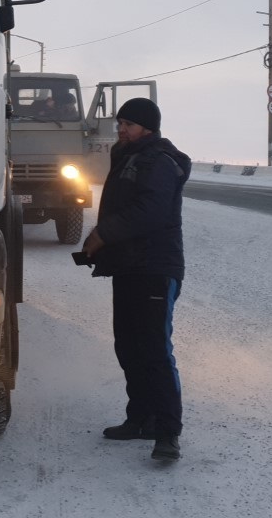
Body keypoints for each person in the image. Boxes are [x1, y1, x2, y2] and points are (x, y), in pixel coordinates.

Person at [78, 97, 191, 462]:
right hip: (129, 267)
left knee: (155, 349)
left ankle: (167, 431)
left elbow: (150, 212)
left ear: (148, 127)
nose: (121, 129)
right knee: (128, 346)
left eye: (128, 124)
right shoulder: (129, 156)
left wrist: (102, 235)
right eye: (120, 123)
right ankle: (140, 419)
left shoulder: (159, 161)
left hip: (156, 269)